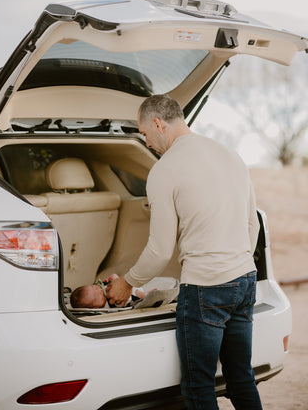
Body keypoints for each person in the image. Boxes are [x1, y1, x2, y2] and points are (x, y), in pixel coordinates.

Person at [106, 94, 263, 410]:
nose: (147, 142)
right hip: (245, 279)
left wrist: (126, 283)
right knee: (241, 378)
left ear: (158, 123)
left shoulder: (165, 169)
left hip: (207, 288)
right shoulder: (230, 154)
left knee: (198, 386)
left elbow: (160, 250)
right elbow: (252, 225)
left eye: (145, 134)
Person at [70, 274, 147, 309]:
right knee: (137, 296)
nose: (100, 290)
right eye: (98, 296)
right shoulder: (109, 304)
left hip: (130, 285)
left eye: (95, 287)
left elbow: (115, 276)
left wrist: (111, 279)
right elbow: (125, 300)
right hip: (130, 298)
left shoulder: (103, 287)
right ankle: (145, 296)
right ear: (96, 308)